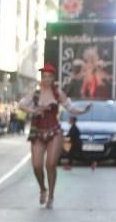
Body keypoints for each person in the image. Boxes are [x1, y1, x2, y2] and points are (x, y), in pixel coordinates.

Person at [19, 64, 91, 209]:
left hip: (54, 131)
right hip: (38, 132)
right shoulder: (35, 93)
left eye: (49, 77)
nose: (46, 79)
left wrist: (83, 111)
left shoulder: (58, 93)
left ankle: (51, 195)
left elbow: (71, 108)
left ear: (53, 78)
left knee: (50, 164)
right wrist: (34, 110)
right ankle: (42, 189)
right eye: (44, 76)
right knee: (37, 165)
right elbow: (21, 105)